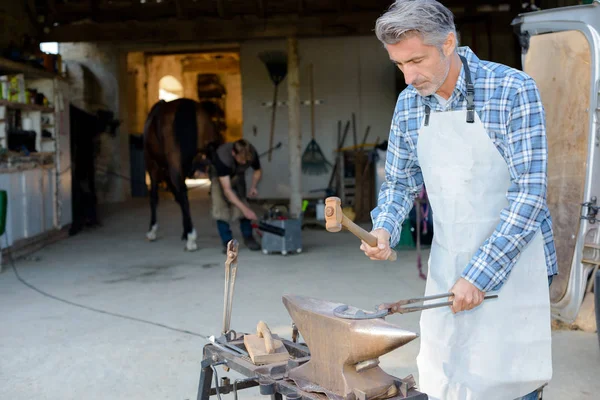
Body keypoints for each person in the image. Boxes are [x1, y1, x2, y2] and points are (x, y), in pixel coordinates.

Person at [361, 1, 558, 400]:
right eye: (400, 65)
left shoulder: (512, 90)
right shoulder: (409, 104)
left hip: (513, 262)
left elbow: (530, 193)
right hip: (449, 260)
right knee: (447, 375)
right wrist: (385, 225)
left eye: (417, 61)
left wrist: (480, 275)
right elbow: (400, 181)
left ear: (448, 42)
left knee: (509, 378)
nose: (409, 77)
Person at [210, 139, 262, 252]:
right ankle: (227, 242)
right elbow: (227, 191)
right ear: (234, 153)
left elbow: (257, 170)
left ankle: (249, 238)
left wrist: (253, 186)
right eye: (242, 160)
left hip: (237, 175)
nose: (244, 163)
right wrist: (246, 210)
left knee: (242, 204)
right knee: (221, 209)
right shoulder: (223, 158)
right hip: (219, 177)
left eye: (246, 160)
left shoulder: (251, 152)